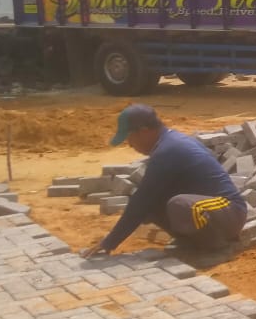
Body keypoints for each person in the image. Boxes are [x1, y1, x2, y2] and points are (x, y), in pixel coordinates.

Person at [82, 104, 247, 258]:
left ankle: (218, 249)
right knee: (152, 203)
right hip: (210, 210)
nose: (130, 145)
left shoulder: (168, 150)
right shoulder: (169, 143)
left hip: (230, 211)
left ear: (144, 131)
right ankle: (192, 242)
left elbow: (141, 201)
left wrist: (109, 243)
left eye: (129, 138)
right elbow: (143, 200)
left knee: (180, 205)